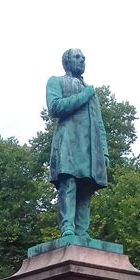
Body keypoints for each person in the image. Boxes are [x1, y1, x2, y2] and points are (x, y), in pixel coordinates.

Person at [46, 49, 109, 237]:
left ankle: (82, 231)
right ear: (66, 61)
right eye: (77, 57)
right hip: (68, 142)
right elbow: (55, 107)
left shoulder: (91, 91)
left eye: (83, 58)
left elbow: (99, 123)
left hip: (90, 146)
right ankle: (68, 227)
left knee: (86, 187)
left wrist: (104, 152)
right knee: (69, 183)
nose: (82, 60)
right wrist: (85, 95)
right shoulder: (56, 81)